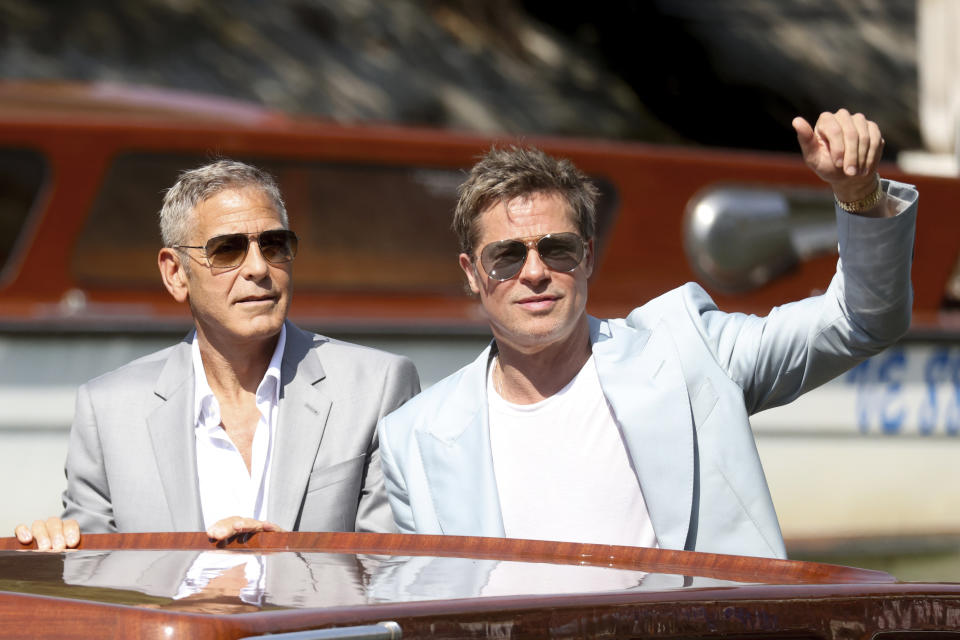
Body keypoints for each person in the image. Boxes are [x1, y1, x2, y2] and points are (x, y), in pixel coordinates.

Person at [377, 109, 918, 559]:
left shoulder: (689, 352)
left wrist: (860, 194)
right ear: (472, 273)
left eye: (558, 249)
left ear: (587, 258)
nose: (535, 272)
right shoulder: (413, 439)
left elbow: (860, 320)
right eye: (507, 256)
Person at [15, 160, 419, 550]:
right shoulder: (108, 410)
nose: (259, 268)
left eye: (274, 245)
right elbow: (99, 586)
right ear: (175, 274)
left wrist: (289, 564)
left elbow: (392, 569)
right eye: (228, 250)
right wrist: (57, 551)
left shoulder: (378, 387)